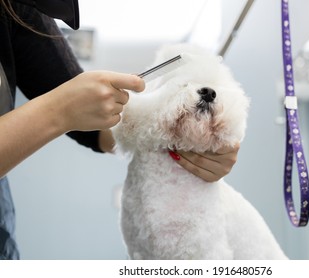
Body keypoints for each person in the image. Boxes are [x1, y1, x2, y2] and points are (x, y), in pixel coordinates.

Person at [0, 0, 240, 259]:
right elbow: (71, 109)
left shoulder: (18, 8)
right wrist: (57, 110)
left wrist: (205, 143)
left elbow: (97, 129)